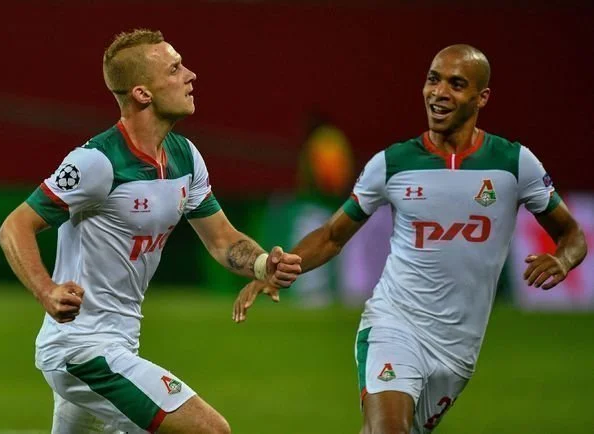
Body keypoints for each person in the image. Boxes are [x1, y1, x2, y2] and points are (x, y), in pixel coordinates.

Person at [233, 44, 587, 433]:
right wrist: (278, 268)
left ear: (482, 97)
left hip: (457, 350)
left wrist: (562, 259)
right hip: (394, 324)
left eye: (456, 84)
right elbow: (333, 235)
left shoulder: (513, 164)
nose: (439, 92)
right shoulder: (393, 163)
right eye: (433, 80)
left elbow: (572, 234)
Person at [0, 29, 301, 434]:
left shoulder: (185, 157)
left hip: (119, 344)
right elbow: (14, 226)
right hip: (82, 350)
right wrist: (46, 290)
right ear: (142, 93)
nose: (190, 75)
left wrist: (264, 264)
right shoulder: (98, 162)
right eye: (174, 69)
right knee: (211, 431)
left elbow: (223, 240)